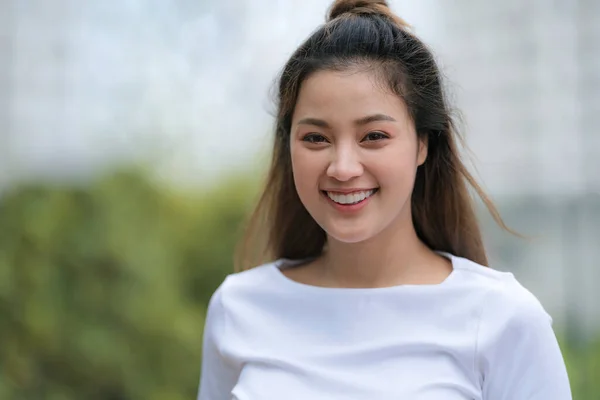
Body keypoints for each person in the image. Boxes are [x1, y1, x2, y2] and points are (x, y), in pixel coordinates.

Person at [197, 0, 572, 398]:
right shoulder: (238, 308)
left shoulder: (502, 318)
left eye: (374, 136)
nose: (342, 167)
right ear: (288, 147)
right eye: (315, 138)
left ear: (423, 143)